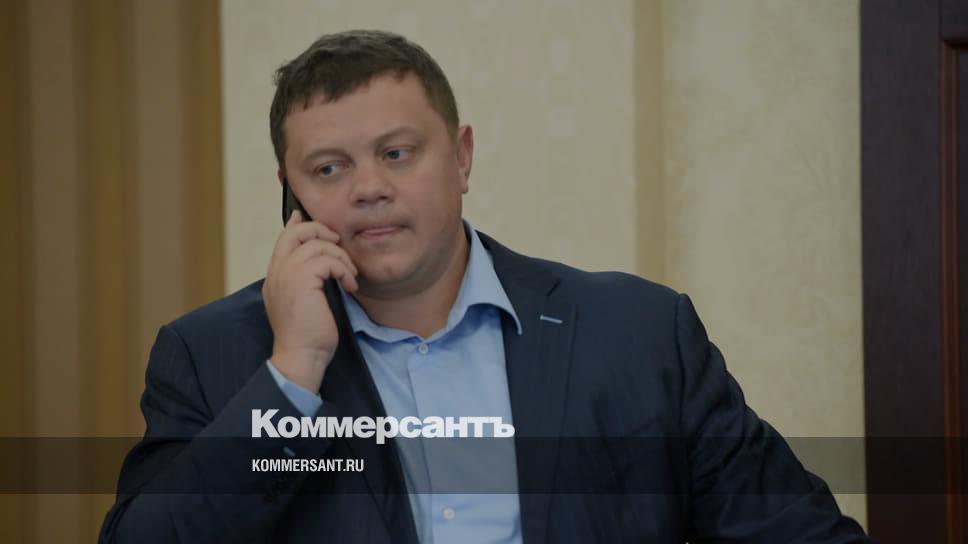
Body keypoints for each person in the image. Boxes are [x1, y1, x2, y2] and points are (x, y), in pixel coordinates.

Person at [100, 29, 872, 543]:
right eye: (329, 168)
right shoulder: (215, 357)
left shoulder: (639, 335)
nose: (368, 188)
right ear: (290, 194)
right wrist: (294, 373)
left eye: (397, 153)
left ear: (462, 156)